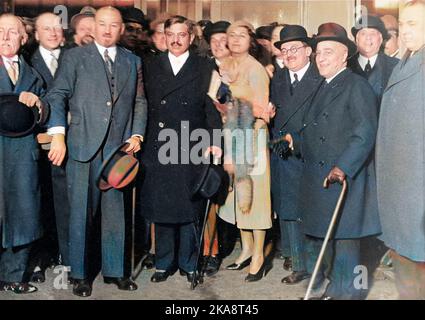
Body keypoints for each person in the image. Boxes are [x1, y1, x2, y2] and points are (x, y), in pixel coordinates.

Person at [46, 6, 147, 297]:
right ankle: (79, 274)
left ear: (121, 29)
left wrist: (136, 134)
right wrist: (57, 135)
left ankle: (116, 271)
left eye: (113, 25)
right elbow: (57, 94)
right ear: (94, 26)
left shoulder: (132, 60)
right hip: (81, 145)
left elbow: (140, 101)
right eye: (101, 24)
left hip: (117, 149)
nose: (106, 30)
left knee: (115, 212)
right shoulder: (75, 57)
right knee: (80, 213)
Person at [282, 23, 381, 299]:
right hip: (320, 180)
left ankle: (347, 294)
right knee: (330, 243)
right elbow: (315, 130)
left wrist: (343, 167)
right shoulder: (321, 86)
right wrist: (296, 142)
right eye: (318, 53)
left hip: (344, 180)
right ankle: (335, 290)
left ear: (344, 56)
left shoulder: (356, 86)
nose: (320, 58)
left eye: (328, 52)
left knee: (346, 246)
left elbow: (365, 134)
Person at [140, 15, 222, 284]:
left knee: (190, 206)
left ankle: (189, 262)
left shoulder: (206, 67)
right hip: (160, 143)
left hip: (192, 142)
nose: (176, 40)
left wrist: (215, 141)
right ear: (164, 36)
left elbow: (212, 110)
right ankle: (163, 263)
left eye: (182, 35)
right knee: (162, 206)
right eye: (170, 34)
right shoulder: (150, 65)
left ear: (190, 37)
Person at [217, 20, 274, 282]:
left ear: (251, 41)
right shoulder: (225, 66)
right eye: (232, 35)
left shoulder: (256, 69)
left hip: (252, 138)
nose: (236, 39)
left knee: (256, 197)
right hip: (232, 137)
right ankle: (247, 249)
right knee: (238, 196)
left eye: (242, 35)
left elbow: (262, 112)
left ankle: (260, 255)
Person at [376, 0, 425, 299]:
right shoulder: (406, 61)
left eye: (414, 24)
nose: (405, 31)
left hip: (418, 191)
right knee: (406, 265)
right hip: (402, 190)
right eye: (403, 24)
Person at [0, 13, 49, 294]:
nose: (6, 37)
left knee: (24, 214)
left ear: (24, 38)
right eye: (0, 31)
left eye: (12, 32)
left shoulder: (33, 74)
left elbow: (45, 114)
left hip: (22, 154)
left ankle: (14, 275)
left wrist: (38, 103)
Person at [270, 25, 322, 285]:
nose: (289, 54)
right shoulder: (278, 78)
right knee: (288, 210)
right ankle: (298, 263)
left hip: (308, 153)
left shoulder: (320, 76)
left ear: (309, 51)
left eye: (295, 48)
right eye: (284, 49)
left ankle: (312, 266)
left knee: (308, 211)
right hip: (282, 153)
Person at [29, 11, 69, 284]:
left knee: (65, 203)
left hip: (68, 144)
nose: (53, 33)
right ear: (35, 34)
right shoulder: (26, 62)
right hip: (36, 147)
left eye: (57, 28)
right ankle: (40, 259)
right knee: (39, 203)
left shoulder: (75, 59)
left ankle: (65, 257)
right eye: (47, 29)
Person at [349, 15, 399, 105]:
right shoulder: (346, 66)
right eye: (363, 33)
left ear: (380, 39)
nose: (368, 37)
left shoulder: (396, 66)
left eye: (372, 33)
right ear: (357, 39)